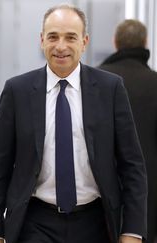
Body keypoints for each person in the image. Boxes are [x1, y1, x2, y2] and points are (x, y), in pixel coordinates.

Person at [0, 4, 147, 243]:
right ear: (42, 40)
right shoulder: (17, 91)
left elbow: (132, 166)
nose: (61, 46)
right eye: (53, 37)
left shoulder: (110, 89)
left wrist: (132, 232)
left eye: (70, 37)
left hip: (96, 222)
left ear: (84, 41)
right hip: (35, 222)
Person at [99, 19, 157, 243]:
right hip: (148, 190)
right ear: (145, 43)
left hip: (101, 187)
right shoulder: (154, 83)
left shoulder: (93, 82)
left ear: (115, 43)